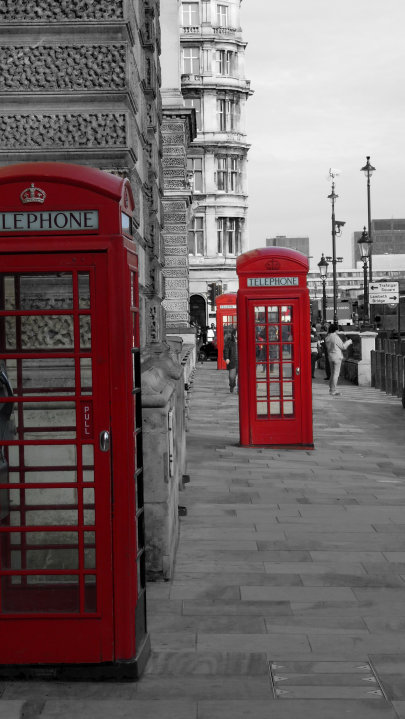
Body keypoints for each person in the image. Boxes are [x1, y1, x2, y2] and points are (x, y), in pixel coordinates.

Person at [324, 323, 352, 396]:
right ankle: (333, 391)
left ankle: (331, 389)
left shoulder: (327, 337)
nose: (338, 331)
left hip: (330, 357)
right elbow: (343, 347)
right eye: (337, 330)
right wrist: (349, 341)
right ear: (335, 330)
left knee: (332, 374)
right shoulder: (335, 337)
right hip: (337, 357)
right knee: (336, 374)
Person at [223, 328, 238, 393]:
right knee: (231, 377)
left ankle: (239, 390)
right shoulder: (229, 342)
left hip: (242, 362)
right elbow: (226, 350)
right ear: (233, 334)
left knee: (242, 378)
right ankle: (232, 385)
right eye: (235, 334)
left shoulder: (244, 340)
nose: (236, 336)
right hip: (233, 362)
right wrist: (226, 358)